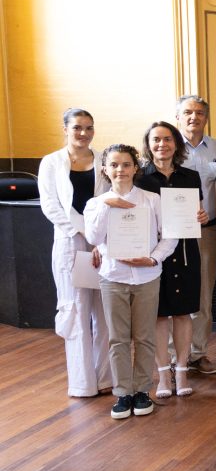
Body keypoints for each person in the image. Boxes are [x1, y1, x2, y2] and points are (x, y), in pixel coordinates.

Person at [84, 144, 178, 419]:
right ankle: (123, 392)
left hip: (147, 276)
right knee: (117, 338)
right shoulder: (95, 204)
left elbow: (170, 236)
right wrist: (107, 206)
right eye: (114, 165)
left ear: (135, 168)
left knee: (145, 336)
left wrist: (153, 259)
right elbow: (93, 237)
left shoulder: (152, 200)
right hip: (112, 277)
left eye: (126, 164)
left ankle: (141, 391)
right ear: (105, 169)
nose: (120, 170)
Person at [38, 108, 112, 397]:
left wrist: (97, 239)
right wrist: (83, 232)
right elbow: (50, 206)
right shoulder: (51, 163)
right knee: (77, 312)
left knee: (104, 315)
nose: (83, 133)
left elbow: (108, 200)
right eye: (77, 127)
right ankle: (83, 383)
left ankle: (105, 379)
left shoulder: (102, 161)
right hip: (71, 243)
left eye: (89, 128)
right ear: (65, 129)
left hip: (101, 245)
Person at [136, 122, 207, 398]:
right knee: (159, 313)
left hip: (186, 252)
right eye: (156, 140)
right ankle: (163, 375)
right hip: (154, 253)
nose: (161, 145)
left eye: (167, 139)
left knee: (183, 311)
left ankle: (182, 371)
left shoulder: (190, 177)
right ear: (148, 144)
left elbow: (197, 212)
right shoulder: (140, 177)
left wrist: (200, 216)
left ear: (176, 143)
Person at [177, 94, 216, 375]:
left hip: (208, 232)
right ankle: (176, 358)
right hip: (172, 236)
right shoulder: (167, 147)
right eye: (187, 112)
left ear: (206, 118)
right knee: (174, 294)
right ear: (178, 117)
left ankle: (197, 354)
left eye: (199, 113)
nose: (193, 117)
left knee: (203, 294)